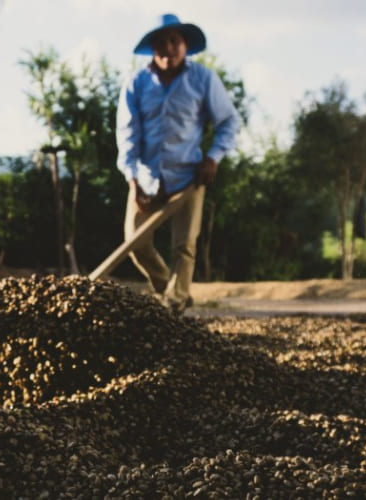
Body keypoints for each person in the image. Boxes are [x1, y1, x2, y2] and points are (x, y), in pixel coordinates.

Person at [116, 13, 242, 314]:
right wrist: (133, 183)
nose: (168, 48)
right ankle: (170, 288)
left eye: (174, 40)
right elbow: (127, 135)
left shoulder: (203, 79)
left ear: (185, 45)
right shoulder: (137, 83)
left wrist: (213, 157)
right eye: (161, 42)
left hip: (188, 176)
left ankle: (173, 305)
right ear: (152, 49)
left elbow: (229, 122)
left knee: (184, 246)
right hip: (146, 178)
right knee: (136, 243)